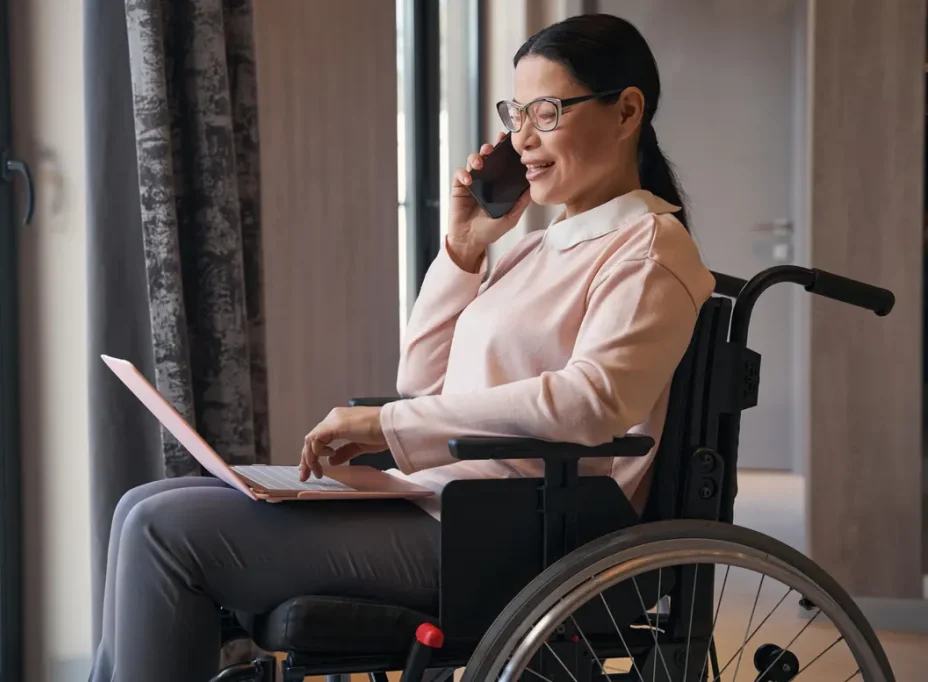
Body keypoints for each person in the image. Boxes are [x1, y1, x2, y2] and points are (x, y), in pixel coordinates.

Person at [88, 13, 715, 682]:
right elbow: (419, 379)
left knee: (165, 533)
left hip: (520, 533)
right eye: (516, 113)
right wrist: (464, 249)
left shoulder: (648, 249)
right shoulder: (535, 245)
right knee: (144, 505)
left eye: (547, 112)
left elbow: (590, 404)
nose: (522, 139)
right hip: (452, 503)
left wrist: (386, 424)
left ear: (625, 112)